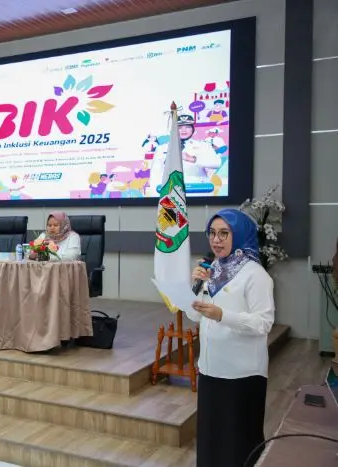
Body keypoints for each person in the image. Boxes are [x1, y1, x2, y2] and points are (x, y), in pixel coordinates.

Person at [188, 208, 274, 467]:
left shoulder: (256, 275)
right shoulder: (212, 269)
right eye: (212, 233)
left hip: (241, 375)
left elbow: (263, 323)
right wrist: (194, 287)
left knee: (238, 445)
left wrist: (222, 315)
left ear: (240, 235)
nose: (216, 240)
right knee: (211, 443)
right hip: (210, 370)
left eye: (224, 233)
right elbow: (194, 315)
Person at [150, 114, 221, 184]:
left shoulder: (203, 145)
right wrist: (156, 190)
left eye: (187, 127)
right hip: (171, 188)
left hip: (197, 187)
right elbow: (155, 173)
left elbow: (217, 163)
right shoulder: (162, 148)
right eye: (179, 127)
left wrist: (192, 159)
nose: (183, 130)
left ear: (193, 129)